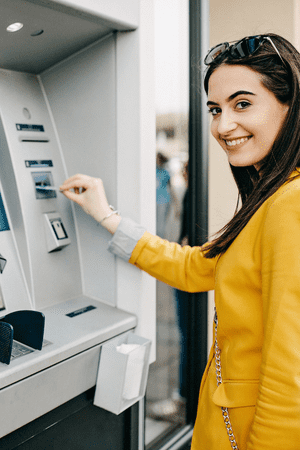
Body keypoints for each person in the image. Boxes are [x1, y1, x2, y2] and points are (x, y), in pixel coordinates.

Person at [59, 33, 300, 449]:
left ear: (291, 105)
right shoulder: (272, 198)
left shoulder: (291, 204)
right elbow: (195, 268)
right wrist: (105, 215)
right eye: (215, 109)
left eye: (242, 104)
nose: (223, 126)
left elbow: (291, 377)